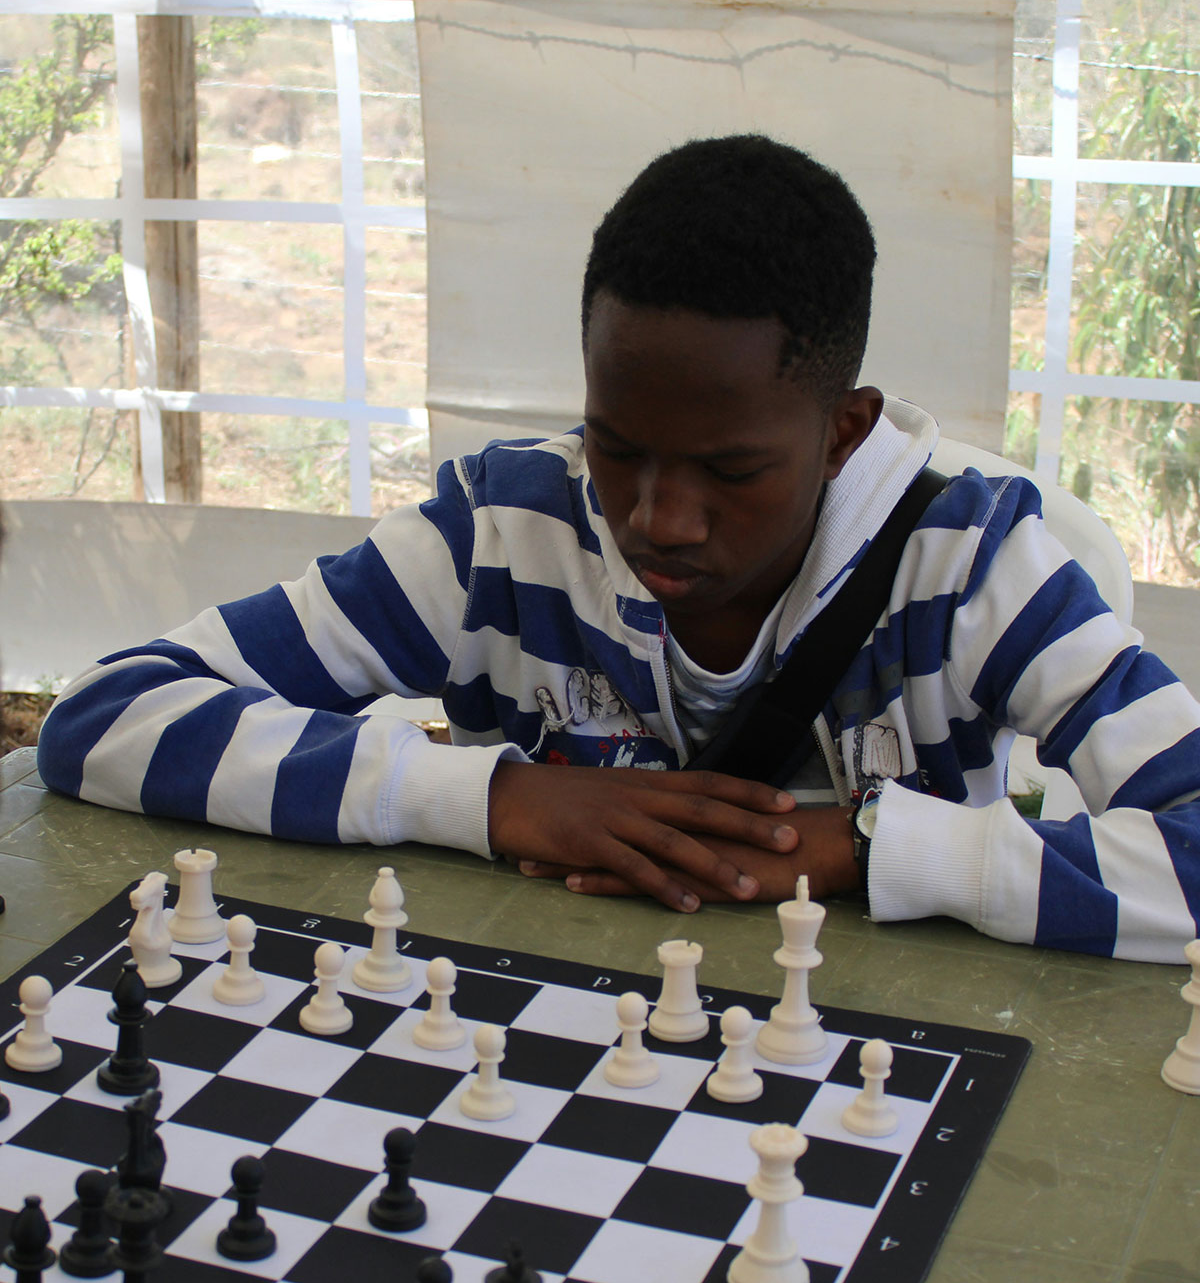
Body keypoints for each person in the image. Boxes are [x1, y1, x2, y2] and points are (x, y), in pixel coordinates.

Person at [36, 135, 1200, 962]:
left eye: (730, 472)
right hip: (554, 1023)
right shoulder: (500, 533)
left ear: (843, 433)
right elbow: (106, 715)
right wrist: (502, 799)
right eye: (617, 447)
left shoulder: (975, 572)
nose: (658, 519)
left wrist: (869, 847)